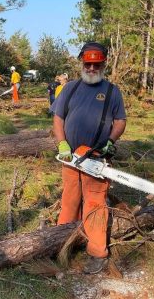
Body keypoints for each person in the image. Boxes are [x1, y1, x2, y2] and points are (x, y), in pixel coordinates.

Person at [50, 42, 126, 274]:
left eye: (96, 64)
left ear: (103, 64)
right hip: (71, 156)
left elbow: (120, 121)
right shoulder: (70, 89)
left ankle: (97, 251)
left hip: (96, 157)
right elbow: (58, 118)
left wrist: (111, 141)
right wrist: (62, 142)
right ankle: (62, 242)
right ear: (82, 62)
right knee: (70, 199)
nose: (92, 68)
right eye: (88, 63)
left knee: (94, 202)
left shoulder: (112, 92)